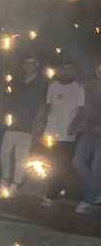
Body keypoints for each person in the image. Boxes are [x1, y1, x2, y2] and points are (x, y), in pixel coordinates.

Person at [0, 58, 47, 197]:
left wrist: (38, 122)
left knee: (21, 156)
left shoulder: (42, 83)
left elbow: (43, 105)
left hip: (28, 124)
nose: (28, 65)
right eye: (26, 63)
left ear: (36, 65)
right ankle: (5, 178)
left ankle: (15, 184)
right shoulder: (18, 80)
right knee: (4, 152)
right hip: (13, 122)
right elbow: (10, 99)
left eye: (31, 63)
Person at [40, 63, 85, 207]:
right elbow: (48, 106)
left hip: (67, 134)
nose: (65, 72)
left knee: (62, 164)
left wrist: (74, 126)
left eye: (69, 69)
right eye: (63, 69)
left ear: (73, 71)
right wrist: (42, 125)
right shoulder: (53, 86)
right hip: (50, 132)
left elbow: (81, 110)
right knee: (50, 162)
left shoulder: (78, 88)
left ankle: (53, 194)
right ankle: (54, 190)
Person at [71, 61, 101, 214]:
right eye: (99, 67)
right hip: (88, 131)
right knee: (77, 162)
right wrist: (77, 124)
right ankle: (96, 191)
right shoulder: (90, 85)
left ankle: (88, 199)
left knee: (97, 167)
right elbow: (83, 107)